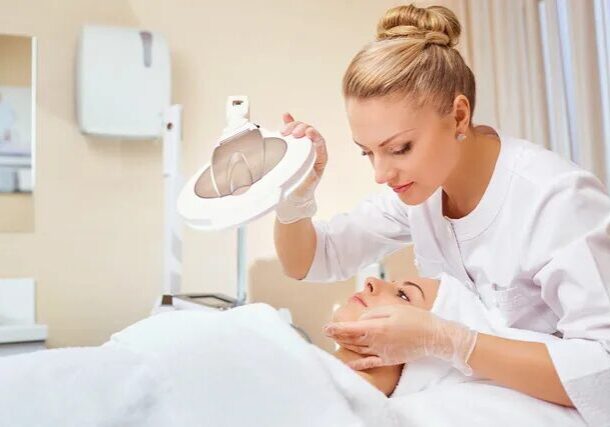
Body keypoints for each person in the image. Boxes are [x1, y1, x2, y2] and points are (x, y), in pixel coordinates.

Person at [273, 3, 610, 425]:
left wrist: (448, 341)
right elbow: (310, 260)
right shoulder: (422, 191)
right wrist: (295, 194)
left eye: (399, 149)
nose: (381, 173)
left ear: (459, 115)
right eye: (368, 153)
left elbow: (605, 372)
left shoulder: (556, 201)